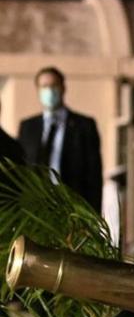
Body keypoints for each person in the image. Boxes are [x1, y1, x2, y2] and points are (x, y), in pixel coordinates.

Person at [18, 66, 102, 210]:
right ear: (38, 90)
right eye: (44, 86)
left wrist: (92, 215)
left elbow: (94, 175)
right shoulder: (28, 127)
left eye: (53, 86)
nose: (49, 91)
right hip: (35, 208)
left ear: (63, 88)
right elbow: (21, 168)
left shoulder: (83, 126)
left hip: (72, 206)